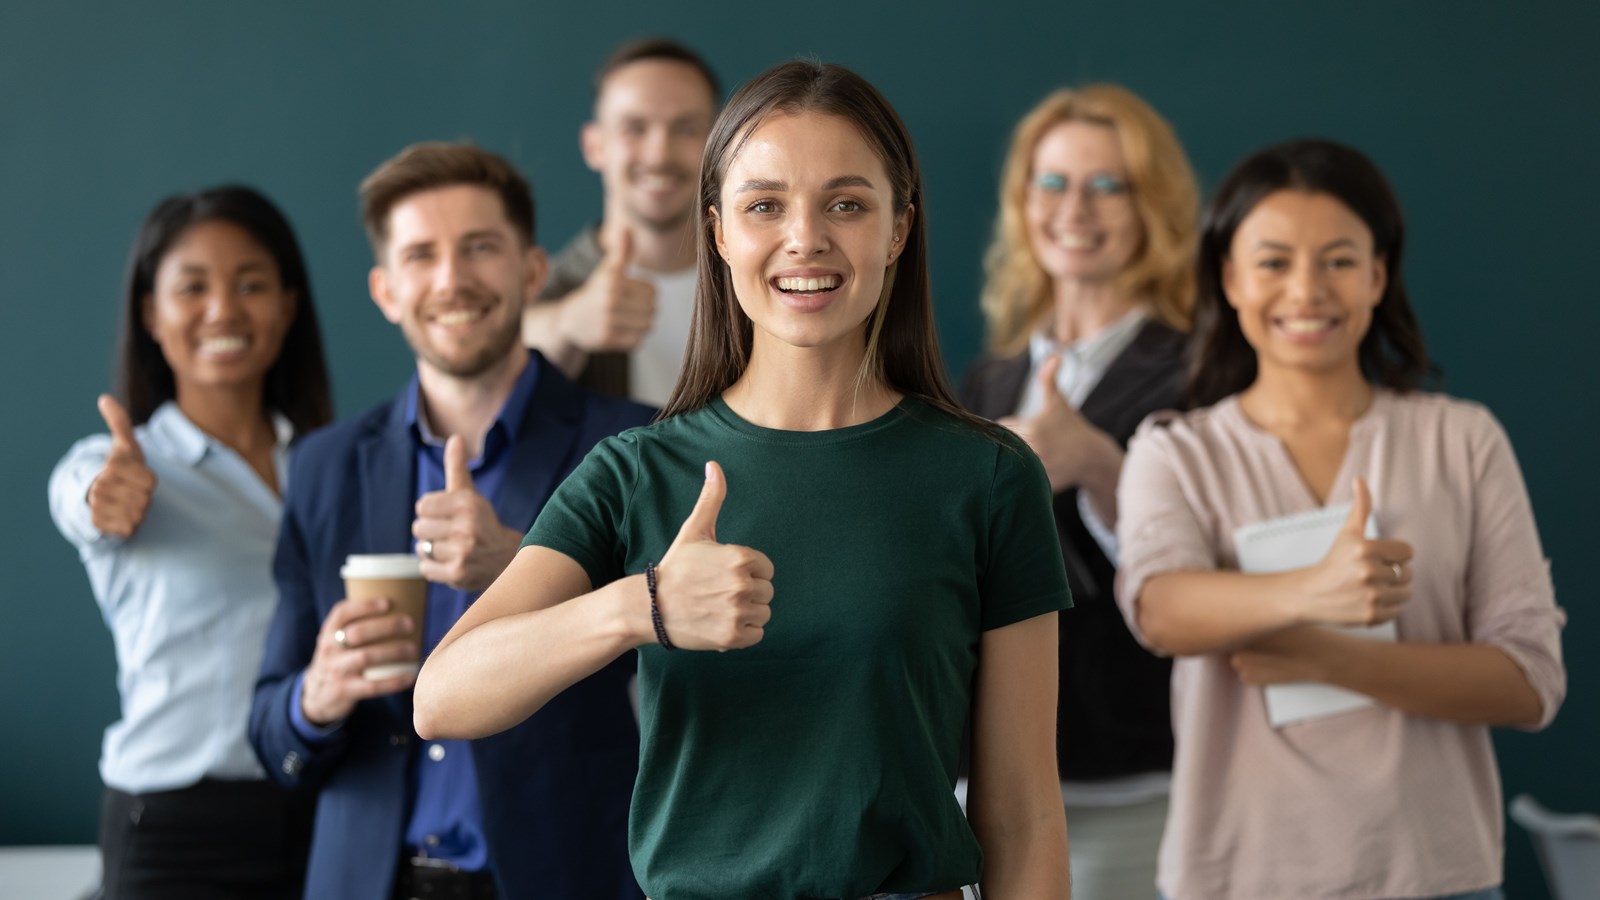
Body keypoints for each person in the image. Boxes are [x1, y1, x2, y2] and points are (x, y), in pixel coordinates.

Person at [414, 60, 1072, 899]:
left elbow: (1023, 816)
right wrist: (641, 606)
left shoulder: (987, 476)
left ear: (898, 229)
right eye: (766, 206)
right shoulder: (632, 471)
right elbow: (442, 696)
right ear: (719, 232)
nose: (805, 238)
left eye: (847, 203)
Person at [1115, 139, 1566, 900]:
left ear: (1378, 276)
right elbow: (1159, 609)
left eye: (1339, 260)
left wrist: (1334, 659)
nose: (1307, 289)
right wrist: (1310, 592)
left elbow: (1528, 681)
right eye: (1273, 261)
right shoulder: (1176, 452)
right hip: (1239, 875)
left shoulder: (1462, 439)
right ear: (1229, 277)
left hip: (1436, 873)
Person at [248, 142, 653, 900]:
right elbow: (271, 727)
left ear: (533, 271)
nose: (451, 279)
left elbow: (677, 653)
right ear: (386, 289)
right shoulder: (324, 465)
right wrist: (319, 694)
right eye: (420, 255)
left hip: (561, 876)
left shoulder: (632, 444)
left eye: (479, 248)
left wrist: (523, 567)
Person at [49, 186, 330, 899]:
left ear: (289, 304)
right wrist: (101, 497)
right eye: (192, 288)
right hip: (179, 829)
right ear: (150, 313)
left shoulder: (335, 464)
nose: (224, 310)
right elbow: (81, 497)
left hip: (329, 809)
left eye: (252, 284)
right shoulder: (121, 464)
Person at [959, 84, 1196, 897]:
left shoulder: (1198, 373)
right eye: (1053, 183)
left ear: (1150, 205)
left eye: (1108, 184)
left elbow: (1216, 572)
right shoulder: (988, 379)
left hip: (1129, 776)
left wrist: (1098, 462)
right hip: (979, 779)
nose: (1076, 207)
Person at [522, 37, 719, 405]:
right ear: (595, 146)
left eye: (687, 129)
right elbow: (494, 354)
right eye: (635, 128)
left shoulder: (753, 276)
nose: (660, 154)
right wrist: (568, 322)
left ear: (719, 144)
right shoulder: (551, 289)